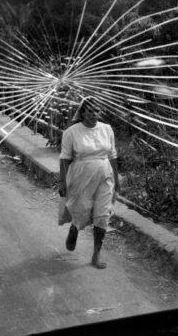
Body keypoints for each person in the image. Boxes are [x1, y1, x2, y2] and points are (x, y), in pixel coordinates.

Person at [58, 97, 120, 269]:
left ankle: (96, 254)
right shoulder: (71, 132)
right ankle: (75, 228)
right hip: (81, 176)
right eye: (91, 111)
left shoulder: (107, 129)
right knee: (82, 209)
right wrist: (62, 182)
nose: (94, 114)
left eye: (97, 111)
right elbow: (64, 158)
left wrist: (117, 179)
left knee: (103, 214)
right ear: (83, 112)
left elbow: (113, 155)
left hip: (105, 174)